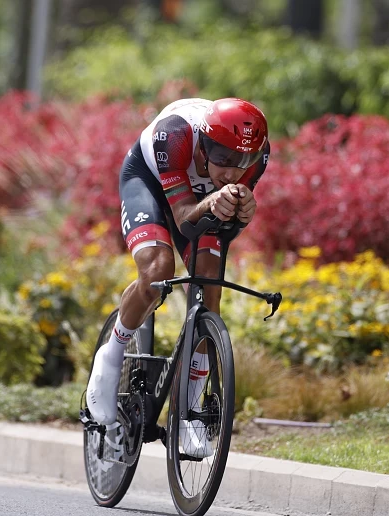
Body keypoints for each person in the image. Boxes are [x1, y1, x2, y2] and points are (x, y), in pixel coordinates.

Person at [85, 97, 270, 458]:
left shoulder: (256, 154)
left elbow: (226, 226)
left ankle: (190, 415)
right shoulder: (176, 136)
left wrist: (243, 212)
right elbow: (185, 217)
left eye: (242, 161)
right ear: (203, 143)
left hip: (200, 199)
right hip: (150, 182)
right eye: (223, 157)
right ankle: (112, 354)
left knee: (209, 289)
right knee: (158, 270)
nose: (233, 171)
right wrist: (217, 202)